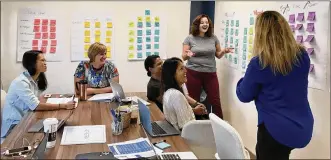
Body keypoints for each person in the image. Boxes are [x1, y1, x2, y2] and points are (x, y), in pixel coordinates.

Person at [236, 11, 314, 160]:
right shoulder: (303, 56)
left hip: (275, 131)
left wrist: (243, 80)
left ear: (260, 35)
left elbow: (243, 95)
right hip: (302, 128)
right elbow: (285, 82)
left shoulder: (260, 63)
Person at [1, 50, 76, 144]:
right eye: (42, 60)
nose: (45, 63)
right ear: (32, 63)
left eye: (45, 60)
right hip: (14, 127)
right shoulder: (21, 82)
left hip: (26, 119)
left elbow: (36, 102)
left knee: (55, 127)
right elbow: (36, 105)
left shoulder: (33, 80)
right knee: (49, 135)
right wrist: (63, 105)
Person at [182, 14, 233, 119]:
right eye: (202, 23)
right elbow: (183, 57)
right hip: (193, 73)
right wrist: (189, 54)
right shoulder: (189, 38)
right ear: (197, 25)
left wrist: (224, 51)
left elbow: (218, 55)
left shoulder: (213, 38)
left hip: (210, 74)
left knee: (215, 101)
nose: (205, 24)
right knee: (193, 100)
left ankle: (220, 128)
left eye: (207, 22)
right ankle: (192, 126)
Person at [161, 57, 207, 131]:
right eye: (181, 69)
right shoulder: (176, 95)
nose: (186, 71)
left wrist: (192, 110)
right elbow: (186, 128)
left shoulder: (168, 92)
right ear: (172, 74)